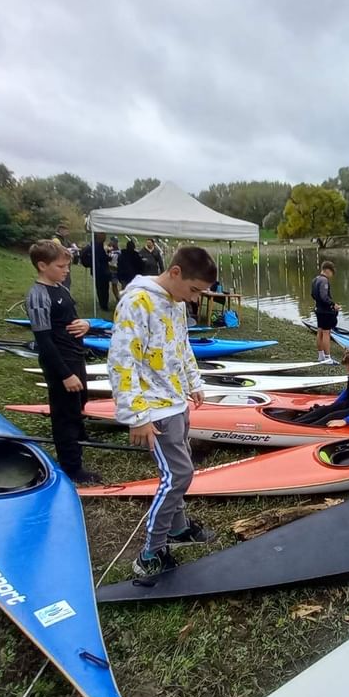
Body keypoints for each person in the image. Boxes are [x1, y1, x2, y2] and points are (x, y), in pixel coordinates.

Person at [108, 246, 220, 577]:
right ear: (174, 273)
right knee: (179, 475)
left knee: (178, 466)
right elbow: (122, 360)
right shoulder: (136, 303)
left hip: (176, 401)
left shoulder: (176, 303)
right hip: (153, 408)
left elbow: (181, 346)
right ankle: (150, 553)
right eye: (194, 289)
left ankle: (178, 528)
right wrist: (136, 415)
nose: (195, 298)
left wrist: (193, 381)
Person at [24, 240, 102, 483]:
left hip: (75, 355)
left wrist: (86, 324)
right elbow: (44, 342)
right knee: (64, 414)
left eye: (67, 265)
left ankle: (80, 438)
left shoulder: (61, 288)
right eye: (61, 266)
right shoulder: (38, 296)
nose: (66, 270)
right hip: (60, 362)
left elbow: (73, 321)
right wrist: (65, 374)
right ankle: (71, 467)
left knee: (80, 402)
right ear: (42, 265)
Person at [311, 260, 340, 364]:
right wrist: (333, 305)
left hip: (318, 309)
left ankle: (321, 356)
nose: (332, 275)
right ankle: (328, 358)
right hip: (325, 311)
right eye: (332, 272)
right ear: (328, 270)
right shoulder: (324, 280)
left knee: (320, 332)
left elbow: (313, 295)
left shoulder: (315, 279)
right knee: (326, 333)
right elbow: (324, 297)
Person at [79, 233, 112, 311]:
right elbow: (102, 257)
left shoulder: (94, 245)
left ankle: (103, 304)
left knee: (101, 288)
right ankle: (104, 305)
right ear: (99, 236)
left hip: (97, 270)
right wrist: (109, 258)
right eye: (103, 235)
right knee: (103, 289)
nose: (105, 237)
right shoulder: (97, 246)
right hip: (101, 271)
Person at [52, 224, 74, 290]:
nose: (67, 233)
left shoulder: (64, 239)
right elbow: (59, 251)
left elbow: (70, 245)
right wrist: (68, 251)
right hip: (60, 264)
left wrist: (74, 247)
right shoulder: (56, 240)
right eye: (66, 231)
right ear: (61, 231)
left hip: (66, 264)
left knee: (67, 281)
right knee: (62, 282)